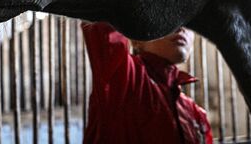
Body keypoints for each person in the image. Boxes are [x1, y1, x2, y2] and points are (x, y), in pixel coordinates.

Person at [82, 21, 213, 144]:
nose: (180, 27)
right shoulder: (124, 76)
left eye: (188, 23)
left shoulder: (197, 115)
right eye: (167, 17)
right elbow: (104, 13)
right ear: (137, 40)